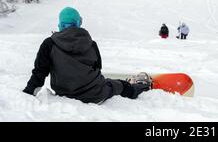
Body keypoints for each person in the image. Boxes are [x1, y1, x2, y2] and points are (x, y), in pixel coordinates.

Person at [23, 7, 151, 104]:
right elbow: (98, 68)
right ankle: (142, 85)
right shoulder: (90, 43)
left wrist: (28, 91)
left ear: (60, 25)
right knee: (120, 86)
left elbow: (39, 72)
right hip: (95, 94)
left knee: (110, 83)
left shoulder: (49, 44)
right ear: (78, 23)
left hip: (65, 94)